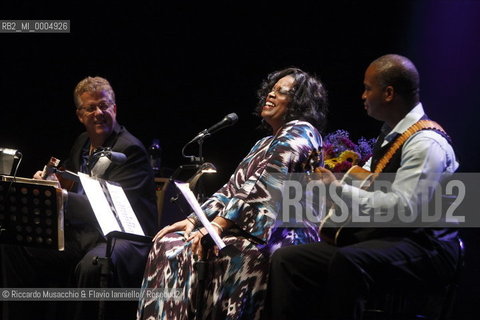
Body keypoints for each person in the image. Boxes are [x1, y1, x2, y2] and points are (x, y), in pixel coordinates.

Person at [266, 54, 461, 320]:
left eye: (368, 88)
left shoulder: (426, 143)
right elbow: (360, 182)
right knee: (288, 260)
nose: (363, 95)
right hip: (389, 237)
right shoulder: (391, 136)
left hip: (426, 248)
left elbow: (404, 207)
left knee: (349, 260)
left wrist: (336, 189)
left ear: (389, 93)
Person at [136, 67, 328, 320]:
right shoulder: (263, 143)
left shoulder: (302, 130)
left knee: (215, 250)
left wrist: (219, 225)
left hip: (280, 233)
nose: (270, 95)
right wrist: (195, 220)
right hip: (245, 227)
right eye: (270, 90)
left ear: (299, 103)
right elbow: (231, 188)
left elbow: (269, 181)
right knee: (168, 243)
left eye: (280, 92)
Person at [0, 76, 158, 320]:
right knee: (14, 245)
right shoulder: (83, 142)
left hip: (125, 238)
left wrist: (60, 196)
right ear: (80, 115)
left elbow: (112, 207)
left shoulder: (130, 150)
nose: (98, 112)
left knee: (93, 265)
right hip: (86, 233)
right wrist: (48, 180)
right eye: (90, 107)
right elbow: (69, 178)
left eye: (104, 105)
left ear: (114, 109)